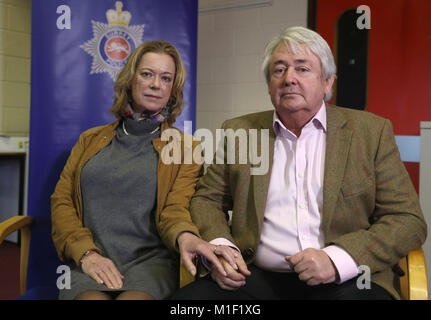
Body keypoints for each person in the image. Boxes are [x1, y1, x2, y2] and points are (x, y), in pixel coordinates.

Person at [173, 26, 427, 300]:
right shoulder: (239, 132)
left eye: (302, 69)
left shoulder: (370, 133)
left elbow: (407, 219)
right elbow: (207, 200)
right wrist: (222, 247)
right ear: (269, 84)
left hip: (347, 281)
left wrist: (337, 259)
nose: (289, 79)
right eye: (279, 70)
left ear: (327, 82)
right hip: (253, 277)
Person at [51, 40, 236, 300]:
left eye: (165, 78)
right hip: (90, 259)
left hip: (151, 264)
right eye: (147, 74)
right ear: (130, 79)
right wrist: (86, 254)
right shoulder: (89, 140)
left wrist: (185, 236)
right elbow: (62, 201)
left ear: (173, 89)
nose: (155, 84)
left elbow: (175, 210)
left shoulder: (186, 148)